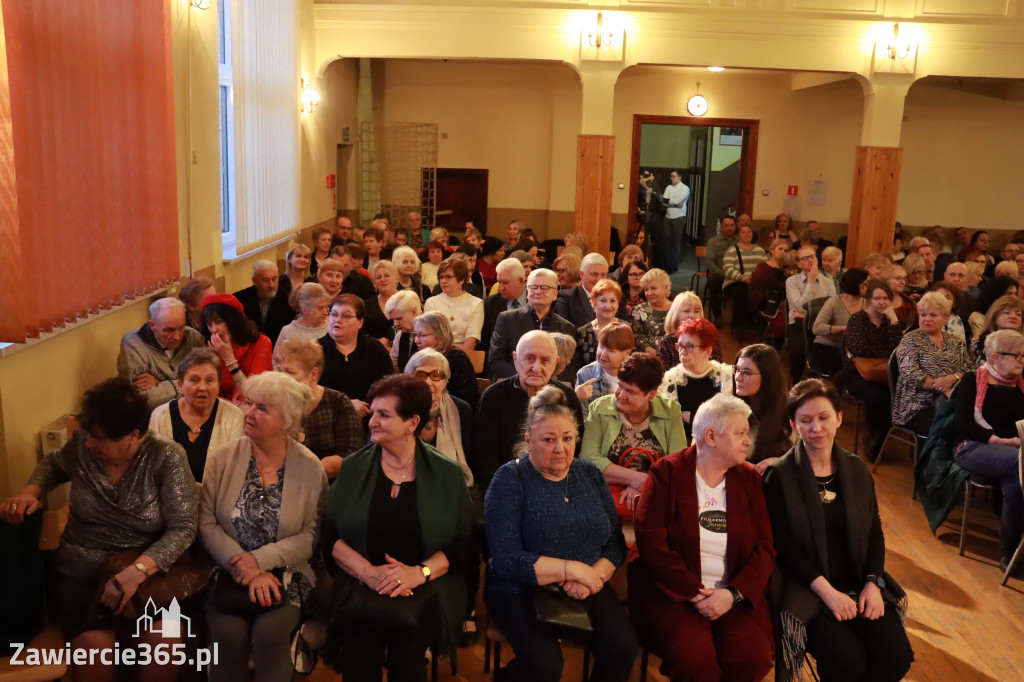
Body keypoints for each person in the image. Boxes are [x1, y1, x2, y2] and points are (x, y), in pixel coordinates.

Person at [1, 378, 198, 682]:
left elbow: (183, 529)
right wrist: (31, 493)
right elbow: (53, 465)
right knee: (94, 648)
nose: (90, 443)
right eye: (88, 435)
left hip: (147, 584)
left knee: (164, 639)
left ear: (134, 436)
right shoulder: (83, 444)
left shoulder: (166, 457)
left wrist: (136, 572)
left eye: (99, 438)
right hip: (83, 584)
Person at [322, 374, 475, 680]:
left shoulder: (446, 473)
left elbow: (464, 546)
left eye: (384, 415)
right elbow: (330, 537)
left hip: (426, 589)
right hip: (362, 584)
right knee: (359, 655)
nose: (372, 422)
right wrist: (368, 573)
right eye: (374, 412)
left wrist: (418, 573)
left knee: (408, 661)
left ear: (411, 422)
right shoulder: (353, 467)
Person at [484, 386, 638, 682]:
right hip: (521, 589)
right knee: (544, 666)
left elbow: (615, 543)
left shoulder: (589, 473)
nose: (560, 448)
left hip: (590, 583)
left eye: (567, 439)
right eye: (548, 440)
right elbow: (507, 560)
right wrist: (574, 570)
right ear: (528, 441)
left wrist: (593, 578)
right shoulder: (509, 478)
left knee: (622, 647)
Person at [763, 379, 913, 682]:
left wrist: (873, 583)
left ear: (839, 418)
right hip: (806, 588)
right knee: (848, 661)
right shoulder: (779, 475)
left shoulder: (857, 469)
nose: (816, 427)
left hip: (858, 581)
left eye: (824, 417)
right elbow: (783, 546)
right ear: (794, 424)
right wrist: (827, 593)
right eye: (805, 421)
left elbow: (874, 532)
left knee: (896, 657)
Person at [628, 393, 774, 682]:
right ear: (711, 436)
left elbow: (765, 549)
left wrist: (731, 595)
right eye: (740, 433)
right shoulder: (666, 473)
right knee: (695, 662)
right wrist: (694, 592)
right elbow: (651, 543)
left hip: (731, 593)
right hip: (672, 594)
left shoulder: (749, 479)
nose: (748, 441)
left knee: (752, 658)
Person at [199, 372, 328, 682]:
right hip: (229, 573)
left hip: (287, 574)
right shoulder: (223, 458)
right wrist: (246, 569)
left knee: (271, 633)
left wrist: (261, 561)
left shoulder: (310, 468)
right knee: (227, 633)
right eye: (248, 403)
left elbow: (312, 534)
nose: (249, 413)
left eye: (262, 408)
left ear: (285, 420)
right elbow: (206, 522)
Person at [473, 330, 585, 488]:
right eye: (529, 358)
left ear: (555, 363)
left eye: (545, 360)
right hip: (506, 486)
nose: (536, 367)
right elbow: (484, 458)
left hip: (557, 485)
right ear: (515, 359)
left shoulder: (567, 397)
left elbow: (575, 452)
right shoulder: (493, 396)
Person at [954, 329, 1024, 571]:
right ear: (996, 357)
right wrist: (995, 440)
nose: (1022, 361)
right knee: (1020, 462)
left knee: (1016, 482)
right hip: (974, 446)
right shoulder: (972, 380)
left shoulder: (1021, 385)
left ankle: (1010, 551)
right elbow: (963, 424)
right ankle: (1013, 549)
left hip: (1014, 452)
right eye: (1017, 356)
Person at [581, 351, 685, 513]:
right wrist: (636, 479)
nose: (621, 395)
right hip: (606, 498)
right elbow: (589, 457)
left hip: (657, 497)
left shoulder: (670, 411)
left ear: (651, 394)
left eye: (630, 391)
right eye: (620, 386)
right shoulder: (599, 408)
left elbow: (676, 462)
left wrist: (645, 486)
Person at [148, 347, 245, 482]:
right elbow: (153, 471)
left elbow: (234, 474)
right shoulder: (160, 416)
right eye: (194, 380)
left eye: (210, 380)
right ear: (181, 385)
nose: (202, 387)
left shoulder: (234, 417)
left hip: (217, 501)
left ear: (218, 386)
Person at [273, 337, 363, 479]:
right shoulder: (272, 403)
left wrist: (301, 474)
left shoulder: (338, 403)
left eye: (289, 372)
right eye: (279, 371)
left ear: (313, 374)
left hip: (326, 486)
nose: (281, 378)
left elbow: (348, 457)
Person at [893, 291, 973, 436]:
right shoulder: (910, 339)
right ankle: (935, 458)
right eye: (923, 315)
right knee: (952, 429)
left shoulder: (956, 342)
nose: (927, 319)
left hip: (953, 401)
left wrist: (953, 378)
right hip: (917, 405)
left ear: (945, 318)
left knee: (976, 424)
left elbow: (970, 369)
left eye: (933, 315)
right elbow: (910, 372)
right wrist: (943, 386)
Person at [117, 297, 205, 409]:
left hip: (190, 410)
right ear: (152, 325)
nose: (178, 336)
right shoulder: (133, 344)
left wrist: (160, 383)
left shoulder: (194, 337)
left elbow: (208, 382)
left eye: (181, 327)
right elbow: (142, 398)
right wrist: (191, 383)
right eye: (169, 330)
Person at [488, 268, 575, 380]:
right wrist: (523, 378)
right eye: (533, 287)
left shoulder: (566, 327)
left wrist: (546, 380)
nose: (538, 291)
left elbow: (572, 366)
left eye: (544, 288)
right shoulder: (507, 319)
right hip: (515, 384)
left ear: (555, 294)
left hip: (550, 389)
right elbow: (496, 359)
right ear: (527, 291)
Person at [318, 294, 395, 417]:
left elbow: (389, 388)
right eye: (333, 314)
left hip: (370, 419)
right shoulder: (315, 350)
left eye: (346, 316)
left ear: (360, 322)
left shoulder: (375, 349)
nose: (337, 320)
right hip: (326, 419)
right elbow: (308, 393)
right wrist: (346, 406)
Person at [405, 348, 474, 485]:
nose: (428, 382)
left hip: (449, 485)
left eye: (436, 375)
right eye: (421, 375)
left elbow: (469, 456)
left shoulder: (461, 410)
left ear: (445, 381)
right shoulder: (397, 408)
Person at [659, 318, 734, 440]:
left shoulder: (724, 374)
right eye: (680, 346)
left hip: (720, 441)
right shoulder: (671, 378)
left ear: (708, 351)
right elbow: (671, 421)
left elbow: (726, 419)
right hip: (683, 441)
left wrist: (689, 415)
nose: (682, 352)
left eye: (689, 346)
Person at [201, 293, 273, 403]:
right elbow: (210, 394)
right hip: (224, 408)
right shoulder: (209, 347)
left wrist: (229, 359)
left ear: (233, 321)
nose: (213, 329)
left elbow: (252, 394)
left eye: (219, 322)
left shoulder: (261, 343)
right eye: (209, 324)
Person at [734, 343, 792, 473]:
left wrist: (780, 462)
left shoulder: (787, 409)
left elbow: (803, 453)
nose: (737, 377)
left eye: (747, 372)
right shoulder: (727, 403)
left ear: (767, 377)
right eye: (737, 369)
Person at [786, 246, 837, 385]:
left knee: (828, 351)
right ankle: (796, 384)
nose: (809, 260)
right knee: (798, 352)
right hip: (798, 325)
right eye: (805, 258)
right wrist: (810, 283)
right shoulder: (791, 281)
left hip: (820, 324)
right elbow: (798, 306)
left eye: (812, 257)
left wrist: (807, 316)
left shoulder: (828, 281)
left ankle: (821, 386)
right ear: (799, 264)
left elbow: (832, 307)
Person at [412, 311, 480, 409]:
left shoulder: (456, 358)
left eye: (422, 335)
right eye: (415, 335)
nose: (416, 341)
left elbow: (467, 401)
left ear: (440, 336)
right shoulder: (420, 358)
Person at [811, 268, 868, 378]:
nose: (869, 287)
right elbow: (817, 328)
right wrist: (843, 328)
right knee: (849, 369)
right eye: (865, 284)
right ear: (855, 285)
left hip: (852, 348)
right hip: (828, 346)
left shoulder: (867, 303)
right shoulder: (834, 302)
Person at [423, 257, 484, 353]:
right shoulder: (431, 302)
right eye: (441, 277)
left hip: (463, 356)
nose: (443, 281)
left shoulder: (476, 303)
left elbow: (470, 344)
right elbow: (430, 339)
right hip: (435, 355)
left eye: (448, 277)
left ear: (461, 280)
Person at [575, 321, 635, 411]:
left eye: (611, 351)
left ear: (626, 352)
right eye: (601, 347)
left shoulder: (638, 374)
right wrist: (576, 397)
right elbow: (583, 416)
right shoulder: (585, 374)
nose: (603, 354)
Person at [655, 291, 723, 371]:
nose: (692, 315)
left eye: (696, 311)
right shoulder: (665, 343)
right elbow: (663, 376)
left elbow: (717, 370)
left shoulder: (709, 338)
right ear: (676, 314)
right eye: (686, 311)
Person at [722, 221, 768, 339]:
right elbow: (728, 269)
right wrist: (743, 278)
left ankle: (758, 325)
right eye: (743, 232)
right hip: (734, 282)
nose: (747, 234)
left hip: (755, 281)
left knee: (764, 293)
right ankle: (738, 326)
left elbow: (765, 267)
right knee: (741, 293)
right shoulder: (732, 250)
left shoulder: (760, 251)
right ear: (739, 235)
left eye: (749, 232)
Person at [233, 260, 294, 344]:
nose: (271, 285)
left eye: (274, 279)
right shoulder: (240, 299)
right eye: (265, 280)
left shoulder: (287, 299)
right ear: (254, 281)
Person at [481, 257, 528, 356]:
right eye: (499, 282)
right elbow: (485, 343)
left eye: (505, 283)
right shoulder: (490, 304)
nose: (501, 288)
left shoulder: (535, 300)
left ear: (521, 281)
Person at [573, 277, 622, 368]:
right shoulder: (582, 333)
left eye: (612, 301)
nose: (608, 306)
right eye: (603, 300)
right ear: (594, 303)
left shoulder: (628, 329)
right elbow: (575, 366)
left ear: (617, 304)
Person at [750, 238, 791, 348]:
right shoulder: (763, 266)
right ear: (772, 251)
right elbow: (762, 286)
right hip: (765, 298)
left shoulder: (788, 269)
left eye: (786, 250)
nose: (783, 252)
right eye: (780, 249)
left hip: (782, 299)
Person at [555, 253, 609, 328]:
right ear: (582, 275)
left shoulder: (616, 297)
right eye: (594, 274)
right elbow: (564, 330)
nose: (599, 279)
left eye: (603, 275)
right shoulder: (566, 298)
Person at [970, 295, 1024, 366]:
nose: (1013, 316)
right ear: (994, 316)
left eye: (1018, 314)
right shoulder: (979, 343)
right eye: (1006, 312)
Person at [631, 267, 673, 354]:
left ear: (665, 288)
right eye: (646, 289)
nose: (649, 293)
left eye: (653, 288)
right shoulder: (638, 310)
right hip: (650, 359)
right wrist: (658, 356)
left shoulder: (677, 309)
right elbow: (639, 340)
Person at [706, 216, 739, 323]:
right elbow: (710, 262)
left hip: (736, 274)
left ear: (735, 227)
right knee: (713, 281)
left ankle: (739, 319)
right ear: (721, 227)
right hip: (719, 273)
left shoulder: (739, 241)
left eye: (732, 225)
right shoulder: (713, 241)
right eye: (726, 225)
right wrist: (723, 274)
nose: (729, 228)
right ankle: (717, 314)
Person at [657, 170, 690, 273]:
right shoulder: (668, 187)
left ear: (679, 177)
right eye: (671, 176)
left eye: (673, 176)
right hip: (668, 215)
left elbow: (672, 201)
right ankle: (666, 264)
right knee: (666, 241)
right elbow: (664, 201)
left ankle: (673, 265)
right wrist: (673, 203)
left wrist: (670, 202)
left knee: (675, 242)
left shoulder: (685, 188)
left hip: (678, 216)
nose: (671, 178)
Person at [364, 259, 401, 341]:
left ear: (397, 278)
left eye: (387, 275)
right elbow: (362, 334)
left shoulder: (408, 301)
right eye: (378, 277)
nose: (383, 279)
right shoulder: (366, 305)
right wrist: (377, 342)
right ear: (375, 283)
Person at [386, 289, 423, 372]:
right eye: (393, 319)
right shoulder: (400, 335)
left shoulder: (433, 334)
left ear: (414, 312)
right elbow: (393, 366)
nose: (395, 324)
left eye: (399, 318)